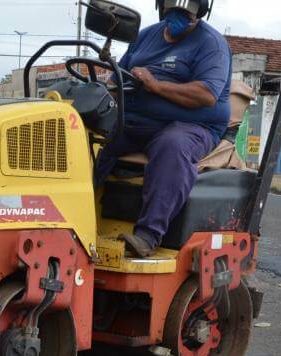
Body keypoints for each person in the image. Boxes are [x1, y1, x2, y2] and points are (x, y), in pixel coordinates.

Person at [94, 0, 232, 257]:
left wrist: (155, 86)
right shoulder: (147, 35)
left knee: (173, 145)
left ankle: (147, 235)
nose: (179, 18)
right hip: (137, 119)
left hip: (193, 125)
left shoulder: (212, 44)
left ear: (200, 12)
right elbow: (117, 78)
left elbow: (206, 95)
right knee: (91, 136)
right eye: (173, 11)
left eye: (186, 14)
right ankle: (72, 216)